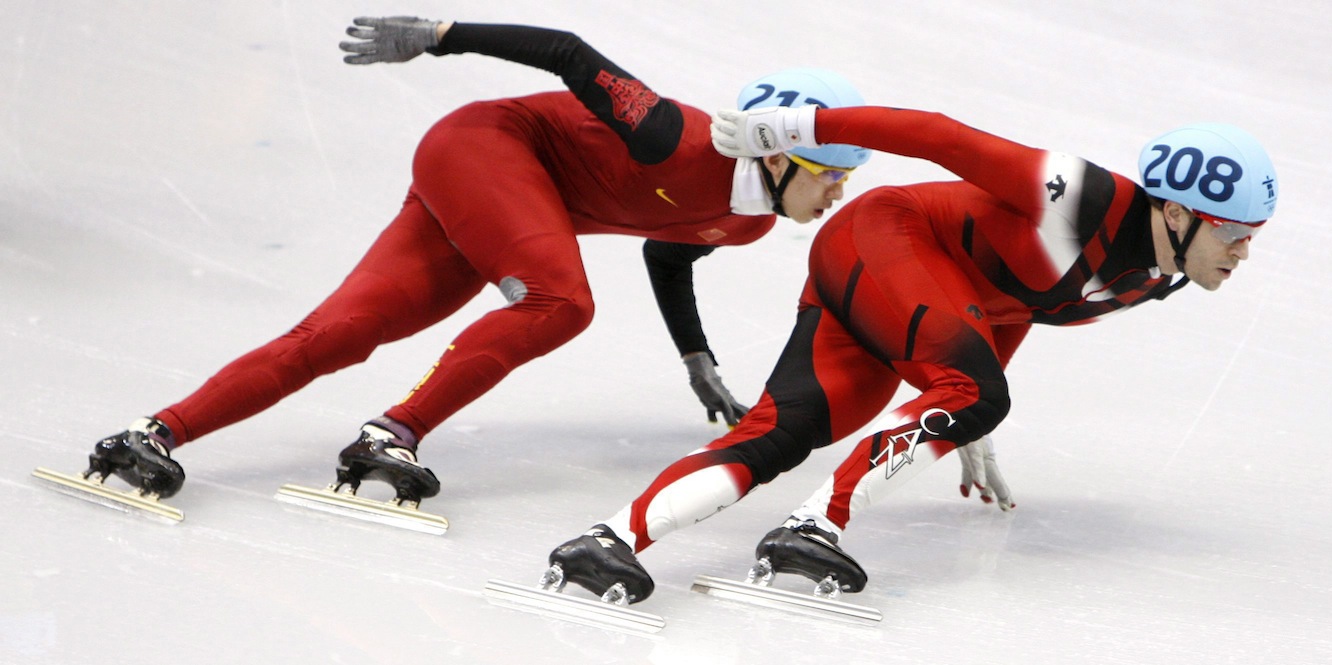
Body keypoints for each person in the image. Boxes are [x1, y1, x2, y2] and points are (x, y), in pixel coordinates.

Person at [72, 18, 873, 507]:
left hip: (511, 207)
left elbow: (669, 256)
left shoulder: (749, 224)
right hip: (485, 150)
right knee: (562, 301)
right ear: (779, 151)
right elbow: (568, 51)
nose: (838, 191)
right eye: (832, 171)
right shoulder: (671, 134)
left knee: (344, 331)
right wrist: (441, 38)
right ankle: (393, 433)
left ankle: (153, 433)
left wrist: (696, 361)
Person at [544, 103, 1278, 603]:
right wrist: (797, 126)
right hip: (886, 240)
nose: (1245, 252)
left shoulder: (1157, 275)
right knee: (973, 392)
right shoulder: (1077, 194)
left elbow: (1021, 301)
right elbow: (937, 135)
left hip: (912, 289)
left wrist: (967, 406)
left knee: (786, 427)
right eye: (1234, 232)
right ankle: (812, 527)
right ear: (1176, 213)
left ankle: (608, 538)